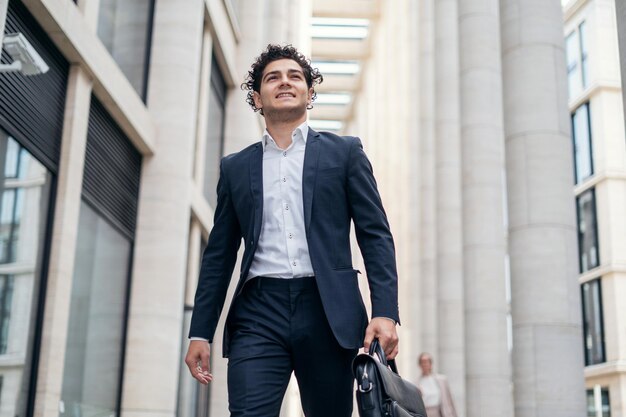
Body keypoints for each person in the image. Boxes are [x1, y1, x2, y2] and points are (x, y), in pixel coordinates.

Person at [184, 44, 400, 417]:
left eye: (294, 76)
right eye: (273, 78)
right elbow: (219, 255)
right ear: (257, 96)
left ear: (309, 93)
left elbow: (375, 233)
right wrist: (200, 331)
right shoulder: (235, 167)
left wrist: (385, 311)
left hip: (328, 310)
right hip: (257, 312)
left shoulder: (344, 153)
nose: (284, 82)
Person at [417, 353, 458, 417]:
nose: (424, 364)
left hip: (439, 412)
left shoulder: (442, 380)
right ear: (419, 365)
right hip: (424, 413)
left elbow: (450, 401)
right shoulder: (416, 383)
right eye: (422, 362)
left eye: (426, 362)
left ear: (430, 364)